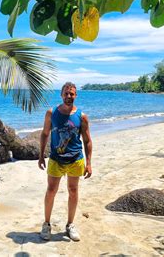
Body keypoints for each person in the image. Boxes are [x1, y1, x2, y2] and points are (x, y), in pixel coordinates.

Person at [38, 82, 92, 241]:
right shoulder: (51, 113)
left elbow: (87, 141)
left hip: (76, 159)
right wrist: (41, 155)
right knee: (51, 190)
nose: (69, 96)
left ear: (76, 95)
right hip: (56, 159)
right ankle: (46, 224)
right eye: (66, 93)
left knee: (73, 191)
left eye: (72, 94)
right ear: (61, 95)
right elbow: (44, 134)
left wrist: (88, 163)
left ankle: (70, 224)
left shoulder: (81, 117)